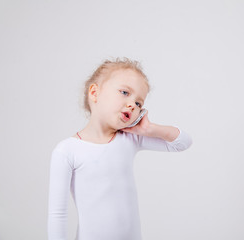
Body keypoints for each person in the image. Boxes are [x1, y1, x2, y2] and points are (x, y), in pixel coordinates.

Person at [47, 57, 193, 240]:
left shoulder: (130, 139)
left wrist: (149, 129)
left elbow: (183, 142)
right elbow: (57, 215)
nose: (132, 104)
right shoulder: (67, 151)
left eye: (139, 103)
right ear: (95, 93)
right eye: (125, 92)